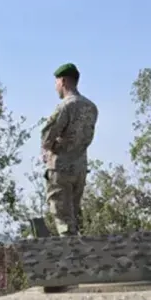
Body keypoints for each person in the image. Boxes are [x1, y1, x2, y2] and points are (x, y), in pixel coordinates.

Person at [40, 63, 99, 236]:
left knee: (63, 220)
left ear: (63, 81)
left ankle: (70, 259)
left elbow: (47, 136)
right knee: (74, 215)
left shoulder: (65, 106)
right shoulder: (91, 107)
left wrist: (49, 148)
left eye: (56, 82)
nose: (56, 86)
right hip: (80, 166)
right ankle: (79, 254)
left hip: (61, 167)